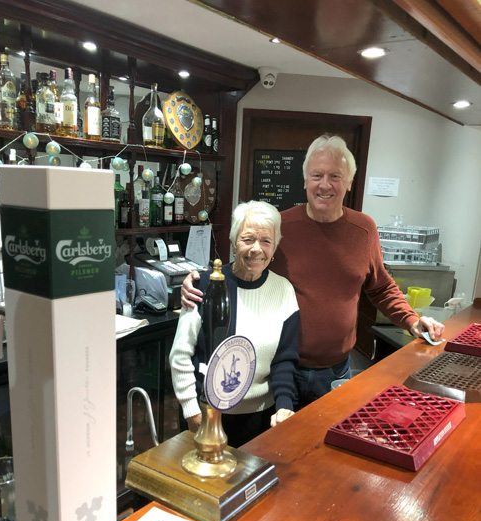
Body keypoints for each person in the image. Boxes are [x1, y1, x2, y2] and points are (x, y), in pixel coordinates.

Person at [181, 135, 445, 408]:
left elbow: (380, 287)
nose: (325, 185)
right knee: (276, 446)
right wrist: (197, 280)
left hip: (337, 369)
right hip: (280, 370)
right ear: (305, 180)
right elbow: (243, 263)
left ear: (349, 183)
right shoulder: (280, 225)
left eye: (335, 176)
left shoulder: (364, 230)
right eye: (317, 175)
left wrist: (413, 320)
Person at [169, 200, 299, 448]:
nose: (256, 249)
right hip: (205, 413)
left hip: (261, 418)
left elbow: (285, 359)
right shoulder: (205, 286)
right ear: (232, 243)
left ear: (275, 247)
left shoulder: (283, 290)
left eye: (266, 241)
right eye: (247, 239)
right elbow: (180, 355)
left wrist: (284, 406)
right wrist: (191, 410)